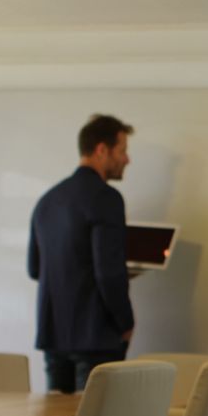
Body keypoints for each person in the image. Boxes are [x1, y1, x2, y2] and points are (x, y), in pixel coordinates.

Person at [28, 114, 135, 394]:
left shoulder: (47, 201)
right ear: (102, 149)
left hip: (54, 334)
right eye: (122, 150)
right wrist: (126, 322)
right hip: (97, 335)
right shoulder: (107, 198)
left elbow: (34, 268)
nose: (127, 159)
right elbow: (108, 272)